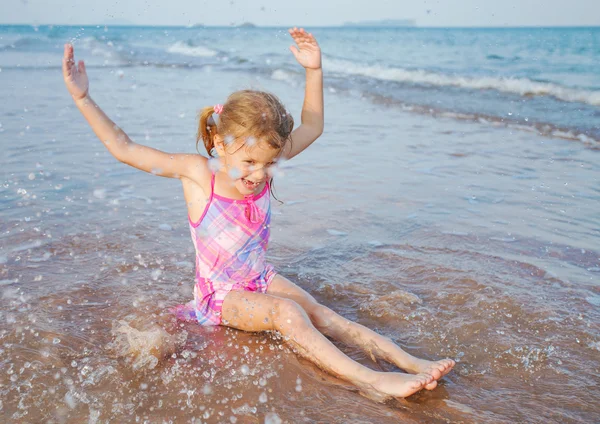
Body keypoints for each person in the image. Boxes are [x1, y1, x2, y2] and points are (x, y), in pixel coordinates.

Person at [62, 27, 454, 401]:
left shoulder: (266, 157)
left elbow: (313, 125)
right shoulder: (200, 174)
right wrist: (82, 98)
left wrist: (313, 69)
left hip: (258, 277)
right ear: (219, 143)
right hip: (219, 297)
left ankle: (408, 360)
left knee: (320, 312)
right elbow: (125, 149)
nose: (258, 174)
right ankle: (372, 380)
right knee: (288, 313)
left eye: (268, 164)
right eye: (249, 162)